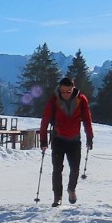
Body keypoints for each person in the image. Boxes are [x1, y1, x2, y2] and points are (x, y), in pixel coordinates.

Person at [40, 77, 94, 206]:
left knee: (75, 168)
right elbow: (45, 120)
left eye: (68, 91)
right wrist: (43, 141)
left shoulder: (81, 100)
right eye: (63, 91)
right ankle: (57, 197)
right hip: (58, 139)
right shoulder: (54, 100)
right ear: (59, 89)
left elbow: (87, 119)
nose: (65, 94)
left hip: (74, 140)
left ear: (73, 89)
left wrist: (90, 136)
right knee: (57, 169)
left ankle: (71, 189)